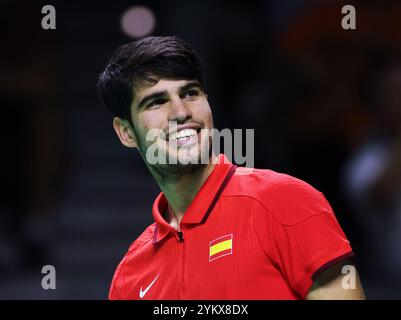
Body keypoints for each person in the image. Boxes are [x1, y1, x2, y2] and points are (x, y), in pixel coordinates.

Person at [97, 36, 365, 300]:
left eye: (190, 93)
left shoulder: (286, 201)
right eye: (157, 101)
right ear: (126, 132)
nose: (181, 112)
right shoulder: (130, 274)